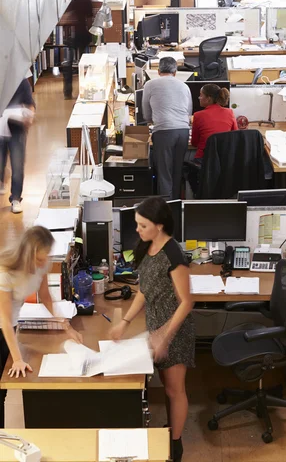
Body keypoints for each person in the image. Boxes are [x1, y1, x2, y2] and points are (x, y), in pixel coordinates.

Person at [110, 197, 194, 462]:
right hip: (155, 326)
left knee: (174, 390)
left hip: (174, 331)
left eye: (142, 225)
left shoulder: (173, 254)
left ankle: (176, 445)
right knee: (164, 386)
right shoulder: (147, 247)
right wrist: (124, 322)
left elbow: (187, 302)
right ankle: (170, 431)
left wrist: (164, 337)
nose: (137, 230)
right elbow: (144, 289)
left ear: (159, 226)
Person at [0, 226, 82, 428]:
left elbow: (45, 297)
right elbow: (4, 319)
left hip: (11, 324)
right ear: (28, 255)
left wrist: (66, 326)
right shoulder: (5, 273)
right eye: (39, 259)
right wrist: (17, 358)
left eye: (46, 257)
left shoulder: (41, 264)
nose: (44, 263)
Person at [142, 58, 192, 199]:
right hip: (183, 131)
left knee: (164, 173)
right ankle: (175, 204)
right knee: (177, 171)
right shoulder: (184, 86)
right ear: (175, 72)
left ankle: (167, 207)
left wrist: (155, 119)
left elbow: (146, 115)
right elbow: (188, 113)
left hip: (163, 132)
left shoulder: (150, 84)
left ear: (158, 71)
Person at [0, 78, 36, 213]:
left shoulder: (21, 82)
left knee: (17, 163)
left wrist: (27, 117)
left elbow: (30, 106)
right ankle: (2, 176)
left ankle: (16, 198)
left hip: (17, 129)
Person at [191, 84, 238, 160]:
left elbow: (194, 143)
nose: (199, 98)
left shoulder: (198, 115)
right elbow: (236, 136)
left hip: (204, 159)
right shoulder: (230, 112)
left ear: (208, 99)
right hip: (225, 159)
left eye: (201, 95)